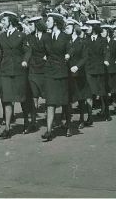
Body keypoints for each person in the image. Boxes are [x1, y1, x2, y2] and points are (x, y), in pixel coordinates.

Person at [0, 11, 31, 139]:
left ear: (10, 22)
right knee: (7, 99)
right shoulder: (1, 36)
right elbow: (0, 51)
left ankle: (26, 123)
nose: (2, 23)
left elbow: (27, 50)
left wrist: (25, 61)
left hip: (18, 71)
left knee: (22, 98)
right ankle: (7, 128)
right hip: (6, 71)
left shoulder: (21, 35)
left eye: (4, 21)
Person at [41, 13, 72, 141]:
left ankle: (68, 125)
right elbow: (42, 50)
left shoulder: (65, 36)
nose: (46, 22)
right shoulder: (46, 37)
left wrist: (68, 55)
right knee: (50, 101)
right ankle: (49, 130)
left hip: (62, 72)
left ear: (55, 22)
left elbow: (71, 49)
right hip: (49, 72)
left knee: (64, 101)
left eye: (48, 20)